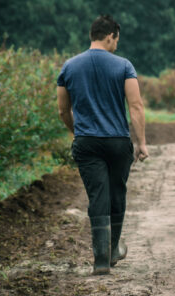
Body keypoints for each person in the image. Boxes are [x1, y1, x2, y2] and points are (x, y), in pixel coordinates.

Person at [57, 15, 149, 275]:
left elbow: (63, 110)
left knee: (98, 195)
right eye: (116, 39)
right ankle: (112, 250)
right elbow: (136, 106)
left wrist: (80, 134)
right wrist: (141, 142)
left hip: (87, 142)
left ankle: (100, 258)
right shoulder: (124, 66)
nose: (117, 45)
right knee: (117, 194)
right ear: (110, 36)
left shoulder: (69, 66)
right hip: (117, 142)